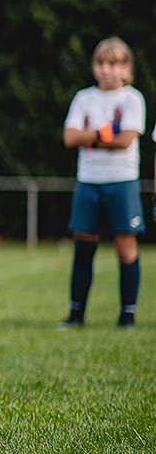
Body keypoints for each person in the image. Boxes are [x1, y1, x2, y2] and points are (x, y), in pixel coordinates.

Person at [59, 37, 144, 329]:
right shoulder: (83, 98)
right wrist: (103, 134)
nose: (106, 70)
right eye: (100, 63)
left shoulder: (132, 99)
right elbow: (69, 137)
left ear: (125, 68)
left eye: (113, 64)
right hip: (88, 181)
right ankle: (76, 314)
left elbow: (125, 140)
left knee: (125, 248)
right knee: (83, 248)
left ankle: (127, 315)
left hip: (122, 181)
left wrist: (89, 137)